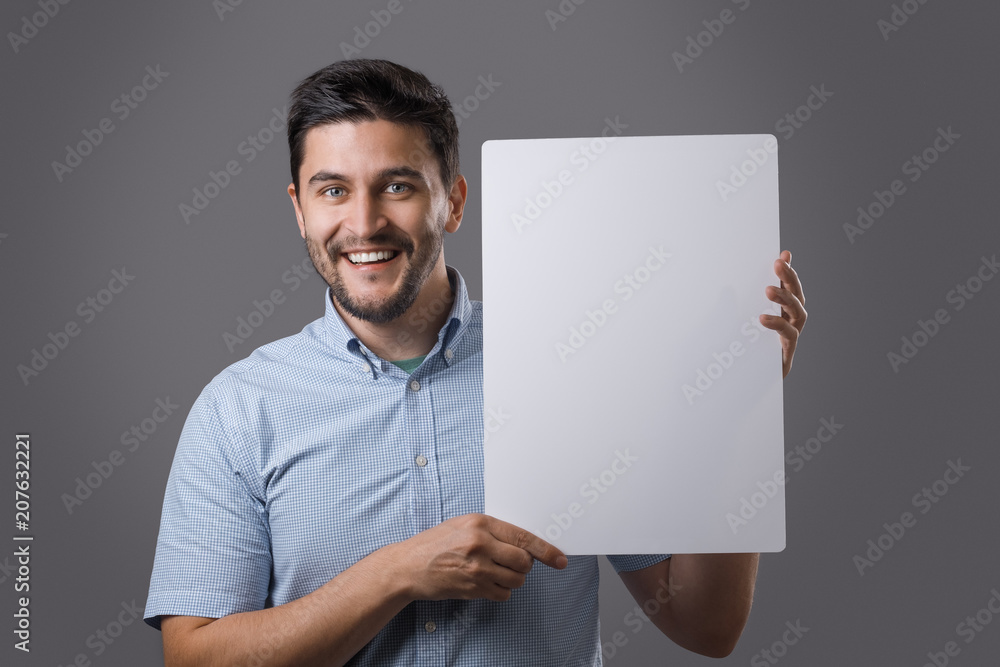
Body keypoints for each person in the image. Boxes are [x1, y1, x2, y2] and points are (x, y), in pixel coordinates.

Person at [144, 58, 807, 666]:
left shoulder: (576, 360)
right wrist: (396, 573)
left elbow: (705, 623)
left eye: (397, 185)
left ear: (454, 201)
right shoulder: (239, 409)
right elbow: (196, 659)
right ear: (299, 209)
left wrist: (733, 408)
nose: (365, 222)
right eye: (333, 190)